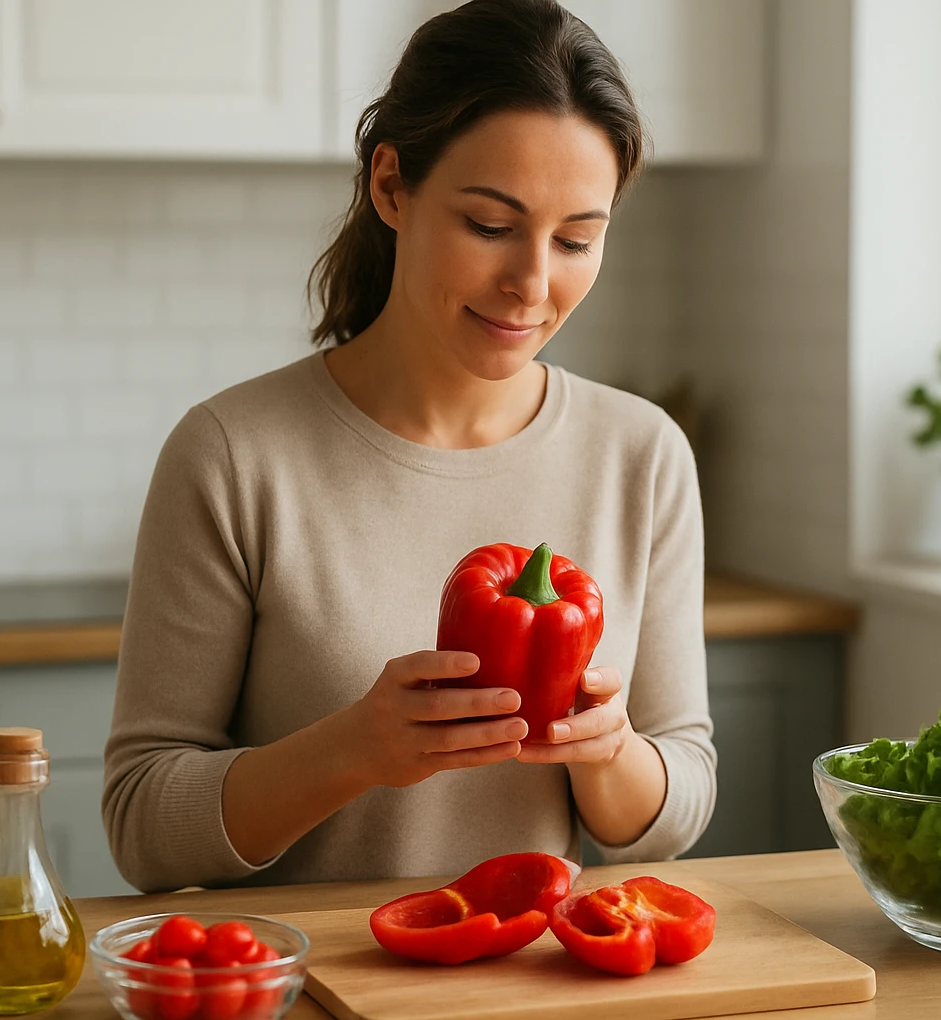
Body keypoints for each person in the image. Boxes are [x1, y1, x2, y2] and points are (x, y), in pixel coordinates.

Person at [103, 0, 715, 893]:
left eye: (578, 239)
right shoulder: (232, 454)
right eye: (491, 227)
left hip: (531, 989)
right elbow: (142, 822)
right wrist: (355, 749)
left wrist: (609, 751)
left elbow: (680, 796)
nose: (533, 285)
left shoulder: (643, 455)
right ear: (392, 186)